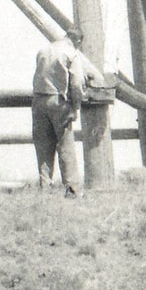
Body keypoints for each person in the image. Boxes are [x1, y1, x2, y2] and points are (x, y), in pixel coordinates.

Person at [31, 26, 103, 196]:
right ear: (77, 41)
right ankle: (72, 190)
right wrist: (75, 106)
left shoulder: (43, 50)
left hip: (38, 100)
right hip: (58, 102)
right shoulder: (72, 54)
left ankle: (44, 188)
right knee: (65, 146)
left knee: (43, 146)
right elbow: (76, 84)